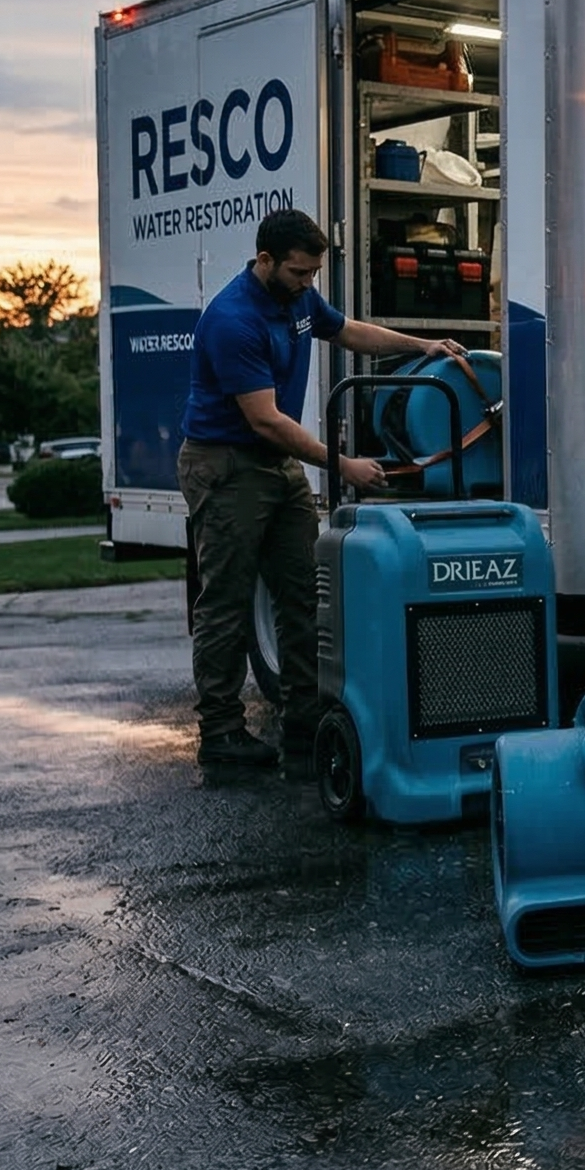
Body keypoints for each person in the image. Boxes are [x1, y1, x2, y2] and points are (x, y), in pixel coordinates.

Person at [179, 209, 462, 767]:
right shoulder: (233, 319)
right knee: (228, 603)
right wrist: (343, 464)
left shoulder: (299, 300)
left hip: (275, 464)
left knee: (303, 596)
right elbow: (264, 419)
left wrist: (418, 346)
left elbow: (348, 330)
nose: (309, 282)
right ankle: (220, 733)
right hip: (226, 465)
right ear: (265, 261)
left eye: (313, 273)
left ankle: (303, 721)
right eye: (300, 272)